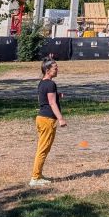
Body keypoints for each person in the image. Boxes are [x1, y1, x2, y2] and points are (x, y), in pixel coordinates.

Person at [30, 59, 66, 187]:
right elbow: (51, 103)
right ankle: (35, 178)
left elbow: (46, 97)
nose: (57, 70)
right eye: (55, 68)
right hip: (47, 120)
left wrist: (57, 95)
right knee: (43, 149)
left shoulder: (42, 83)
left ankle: (38, 175)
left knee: (42, 148)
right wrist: (60, 118)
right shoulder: (51, 84)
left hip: (41, 119)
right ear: (47, 70)